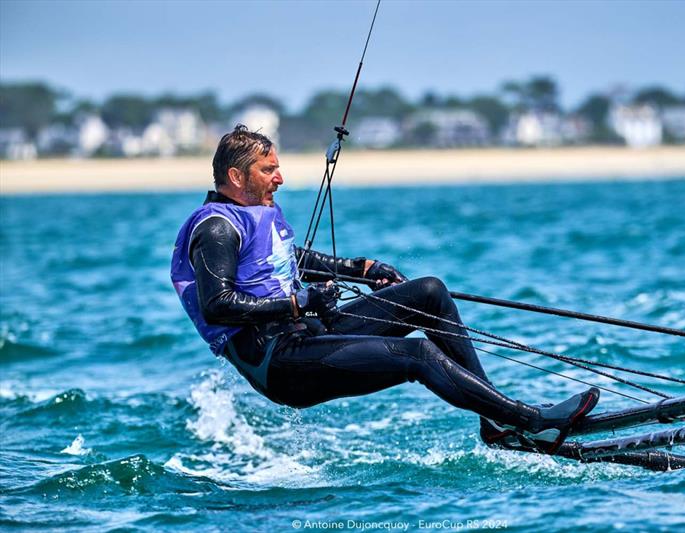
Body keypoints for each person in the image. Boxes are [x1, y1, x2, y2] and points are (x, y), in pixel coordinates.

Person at [170, 125, 599, 454]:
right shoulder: (216, 228)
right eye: (268, 170)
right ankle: (530, 420)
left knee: (428, 291)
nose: (280, 177)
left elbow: (287, 257)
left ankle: (497, 421)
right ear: (235, 175)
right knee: (417, 354)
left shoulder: (253, 213)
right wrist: (299, 302)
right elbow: (218, 305)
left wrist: (362, 268)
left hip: (308, 332)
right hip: (279, 363)